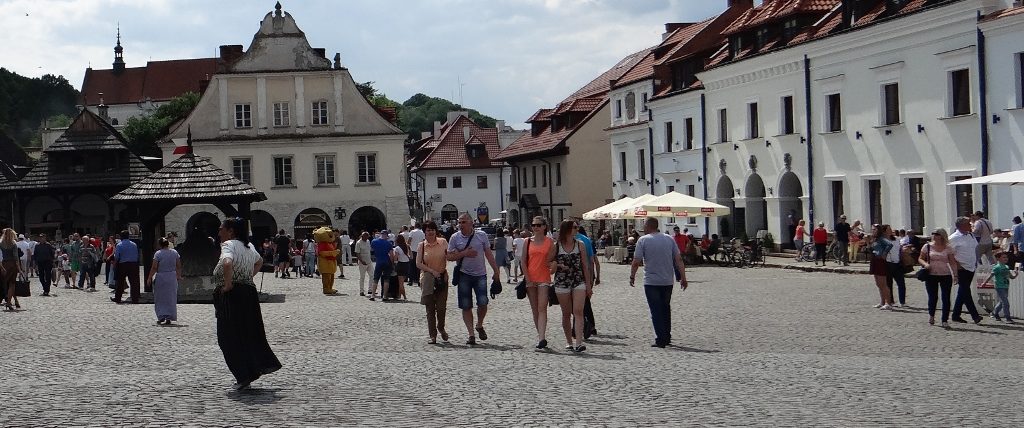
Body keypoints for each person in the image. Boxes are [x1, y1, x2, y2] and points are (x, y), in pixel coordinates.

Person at [212, 217, 281, 390]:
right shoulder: (248, 246)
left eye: (221, 228)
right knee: (248, 332)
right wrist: (248, 276)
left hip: (232, 295)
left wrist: (228, 285)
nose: (219, 231)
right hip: (248, 294)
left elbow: (227, 263)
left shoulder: (228, 245)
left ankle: (243, 375)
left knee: (227, 337)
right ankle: (251, 370)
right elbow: (259, 262)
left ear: (231, 231)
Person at [630, 217, 687, 348]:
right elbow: (678, 259)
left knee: (655, 310)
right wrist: (683, 277)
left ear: (648, 226)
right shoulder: (669, 239)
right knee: (665, 308)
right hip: (667, 280)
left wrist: (632, 276)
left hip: (651, 281)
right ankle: (667, 335)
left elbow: (636, 261)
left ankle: (661, 338)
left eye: (644, 225)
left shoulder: (643, 240)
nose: (643, 228)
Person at [446, 213, 501, 345]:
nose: (460, 225)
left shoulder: (481, 236)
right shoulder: (455, 237)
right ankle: (471, 334)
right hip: (464, 274)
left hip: (480, 274)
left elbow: (488, 254)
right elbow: (449, 257)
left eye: (463, 222)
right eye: (459, 222)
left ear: (471, 223)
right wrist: (464, 253)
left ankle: (479, 324)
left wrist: (496, 271)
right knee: (466, 305)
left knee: (483, 302)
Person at [553, 220, 593, 352]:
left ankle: (579, 342)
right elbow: (548, 263)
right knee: (566, 313)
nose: (577, 229)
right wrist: (559, 265)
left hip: (578, 280)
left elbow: (585, 266)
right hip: (562, 281)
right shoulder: (556, 246)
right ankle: (569, 341)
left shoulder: (580, 244)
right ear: (567, 229)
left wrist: (588, 285)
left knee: (578, 311)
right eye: (575, 227)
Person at [522, 217, 556, 349]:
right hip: (531, 278)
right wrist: (527, 279)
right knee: (535, 309)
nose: (535, 227)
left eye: (538, 225)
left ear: (544, 227)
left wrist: (553, 266)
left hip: (544, 278)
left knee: (542, 308)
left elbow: (552, 261)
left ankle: (542, 337)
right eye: (533, 225)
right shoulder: (527, 242)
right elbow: (523, 261)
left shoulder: (550, 242)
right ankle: (540, 335)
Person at [416, 221, 449, 344]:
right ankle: (433, 335)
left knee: (441, 307)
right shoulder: (421, 246)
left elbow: (449, 256)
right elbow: (418, 263)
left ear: (436, 231)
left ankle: (441, 327)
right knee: (430, 308)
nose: (430, 232)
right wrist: (431, 271)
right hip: (428, 279)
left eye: (432, 230)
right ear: (424, 232)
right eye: (428, 230)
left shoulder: (443, 242)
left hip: (441, 278)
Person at [919, 228, 957, 327]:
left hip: (945, 274)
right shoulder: (927, 246)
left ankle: (945, 319)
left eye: (937, 234)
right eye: (933, 234)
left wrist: (955, 275)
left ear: (942, 236)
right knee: (932, 297)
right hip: (931, 274)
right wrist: (925, 264)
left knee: (946, 297)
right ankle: (931, 315)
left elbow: (952, 262)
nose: (934, 236)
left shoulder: (948, 248)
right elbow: (920, 258)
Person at [949, 217, 984, 324]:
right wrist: (957, 265)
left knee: (963, 291)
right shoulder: (954, 238)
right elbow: (949, 254)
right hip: (961, 268)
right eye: (968, 224)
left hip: (971, 267)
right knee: (966, 291)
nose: (970, 225)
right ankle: (975, 315)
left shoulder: (971, 235)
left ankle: (956, 314)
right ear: (962, 226)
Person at [147, 238, 182, 325]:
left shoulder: (158, 254)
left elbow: (154, 267)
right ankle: (170, 316)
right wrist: (178, 275)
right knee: (171, 297)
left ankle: (161, 315)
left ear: (160, 245)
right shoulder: (174, 252)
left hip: (161, 276)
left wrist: (149, 277)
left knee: (160, 297)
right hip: (172, 276)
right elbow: (178, 265)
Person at [577, 225, 600, 338]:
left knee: (580, 304)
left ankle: (585, 325)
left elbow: (591, 261)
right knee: (585, 302)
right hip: (587, 275)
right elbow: (593, 262)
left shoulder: (581, 241)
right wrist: (592, 277)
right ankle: (589, 325)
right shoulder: (587, 240)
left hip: (579, 275)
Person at [982, 251, 1016, 323]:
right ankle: (1008, 318)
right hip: (999, 286)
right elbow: (991, 275)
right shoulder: (997, 267)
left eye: (1006, 257)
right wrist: (984, 283)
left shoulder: (1007, 267)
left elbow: (1011, 277)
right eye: (1003, 257)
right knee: (1005, 302)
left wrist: (1016, 274)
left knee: (1001, 301)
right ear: (998, 259)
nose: (1006, 258)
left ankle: (995, 313)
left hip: (1006, 286)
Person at [111, 230, 141, 304]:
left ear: (121, 237)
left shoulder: (119, 245)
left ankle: (118, 298)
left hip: (123, 265)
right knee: (134, 282)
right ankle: (135, 299)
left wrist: (115, 263)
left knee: (120, 282)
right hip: (133, 264)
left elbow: (117, 257)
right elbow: (137, 255)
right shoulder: (134, 244)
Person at [869, 225, 894, 310]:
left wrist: (884, 253)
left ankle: (888, 302)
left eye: (874, 229)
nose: (873, 231)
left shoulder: (881, 239)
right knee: (878, 283)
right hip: (874, 260)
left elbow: (890, 244)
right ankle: (882, 302)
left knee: (883, 283)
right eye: (872, 229)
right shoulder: (874, 239)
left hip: (880, 261)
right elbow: (871, 249)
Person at [884, 228, 907, 308]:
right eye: (888, 229)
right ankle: (890, 301)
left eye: (890, 229)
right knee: (888, 284)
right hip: (887, 263)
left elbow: (900, 248)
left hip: (897, 263)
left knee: (901, 283)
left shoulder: (897, 239)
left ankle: (902, 301)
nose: (890, 231)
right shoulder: (882, 240)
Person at [1, 229, 22, 311]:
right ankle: (9, 302)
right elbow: (16, 257)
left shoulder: (1, 243)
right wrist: (19, 268)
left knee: (4, 282)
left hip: (3, 264)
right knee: (12, 284)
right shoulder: (13, 244)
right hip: (12, 264)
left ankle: (13, 300)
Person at [369, 231, 394, 301]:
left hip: (378, 261)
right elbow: (391, 255)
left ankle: (373, 295)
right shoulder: (389, 243)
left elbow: (371, 250)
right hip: (386, 261)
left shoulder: (374, 241)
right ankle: (385, 296)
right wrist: (392, 263)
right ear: (386, 236)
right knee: (386, 279)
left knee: (376, 278)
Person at [392, 234, 411, 300]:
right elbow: (411, 257)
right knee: (402, 282)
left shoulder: (397, 248)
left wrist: (394, 264)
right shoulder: (407, 246)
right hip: (407, 265)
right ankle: (399, 296)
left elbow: (395, 258)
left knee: (400, 283)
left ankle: (405, 297)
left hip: (400, 265)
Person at [354, 232, 372, 297]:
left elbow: (369, 250)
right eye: (366, 236)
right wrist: (361, 261)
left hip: (369, 261)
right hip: (362, 262)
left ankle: (370, 289)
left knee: (372, 275)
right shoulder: (358, 243)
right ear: (362, 236)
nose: (367, 238)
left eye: (368, 237)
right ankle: (361, 291)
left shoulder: (368, 241)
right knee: (362, 277)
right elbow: (357, 253)